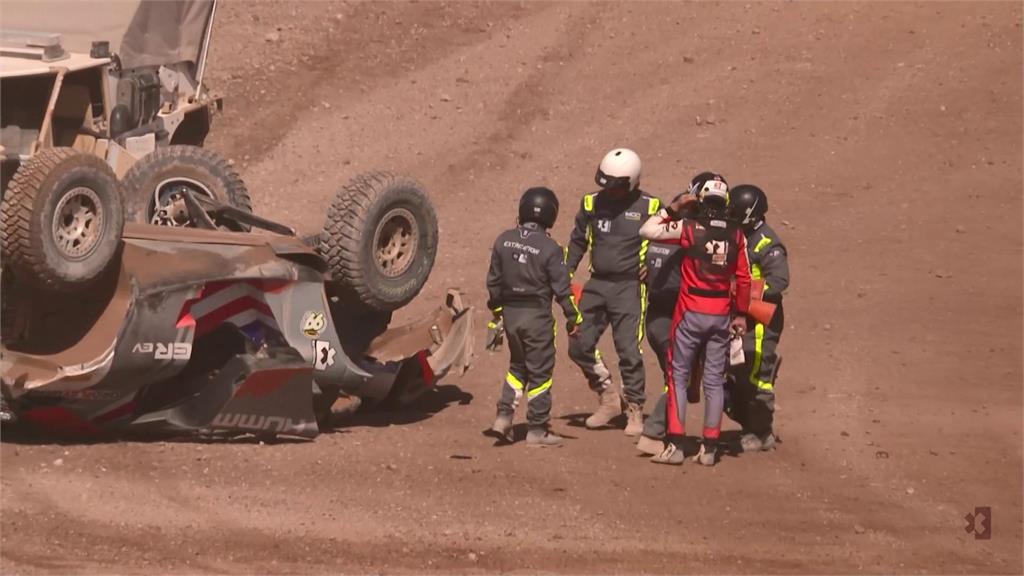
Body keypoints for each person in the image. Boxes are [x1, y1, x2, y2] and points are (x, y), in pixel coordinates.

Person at [638, 172, 751, 466]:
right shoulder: (737, 234)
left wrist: (671, 208)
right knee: (713, 381)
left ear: (701, 199)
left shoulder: (689, 228)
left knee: (677, 377)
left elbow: (648, 230)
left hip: (688, 313)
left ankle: (675, 446)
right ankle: (710, 449)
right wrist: (740, 314)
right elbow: (745, 278)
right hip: (720, 316)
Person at [564, 148, 661, 436]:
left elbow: (672, 240)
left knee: (628, 350)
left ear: (631, 183)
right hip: (597, 285)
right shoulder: (591, 203)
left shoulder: (652, 207)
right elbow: (578, 240)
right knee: (578, 344)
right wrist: (564, 274)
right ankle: (608, 397)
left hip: (629, 287)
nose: (608, 193)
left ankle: (634, 408)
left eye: (615, 187)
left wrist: (655, 265)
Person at [486, 186, 582, 447]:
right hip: (537, 319)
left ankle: (503, 418)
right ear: (551, 215)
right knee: (540, 374)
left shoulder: (503, 240)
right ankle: (537, 429)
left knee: (517, 367)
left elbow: (493, 283)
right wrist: (575, 319)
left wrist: (498, 313)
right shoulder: (551, 248)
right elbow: (563, 290)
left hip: (511, 317)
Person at [725, 184, 790, 452]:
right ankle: (747, 423)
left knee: (756, 377)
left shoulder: (767, 243)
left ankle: (762, 432)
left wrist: (743, 290)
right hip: (734, 317)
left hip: (760, 324)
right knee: (728, 376)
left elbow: (779, 281)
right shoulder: (734, 235)